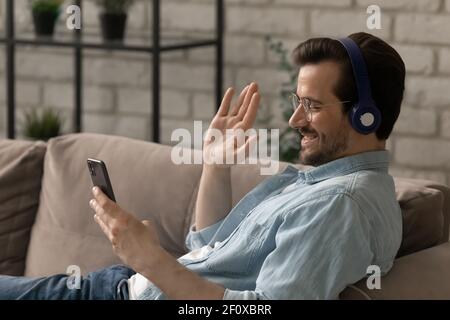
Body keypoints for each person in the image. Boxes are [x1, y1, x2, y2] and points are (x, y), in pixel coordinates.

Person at [0, 31, 405, 300]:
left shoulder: (341, 206)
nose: (294, 120)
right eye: (297, 101)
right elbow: (207, 246)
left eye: (312, 106)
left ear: (364, 115)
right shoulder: (321, 184)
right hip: (121, 287)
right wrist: (216, 166)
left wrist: (151, 261)